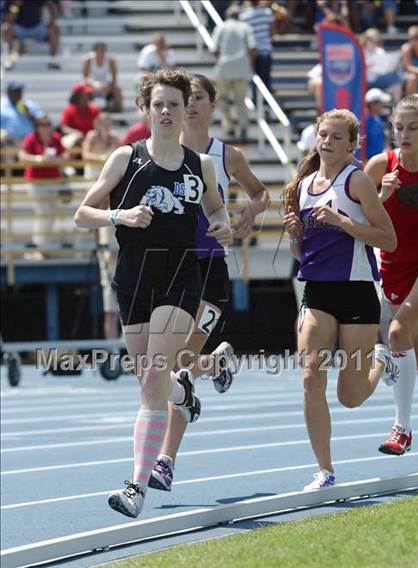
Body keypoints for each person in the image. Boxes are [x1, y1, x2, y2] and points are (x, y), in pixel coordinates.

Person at [74, 68, 232, 518]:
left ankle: (135, 487)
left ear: (187, 111)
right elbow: (83, 213)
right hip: (133, 279)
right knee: (155, 381)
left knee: (150, 382)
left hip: (180, 277)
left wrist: (221, 226)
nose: (166, 111)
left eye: (175, 105)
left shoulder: (198, 165)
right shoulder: (126, 158)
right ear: (145, 109)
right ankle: (185, 395)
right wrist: (118, 218)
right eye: (158, 104)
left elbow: (216, 211)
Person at [148, 74, 271, 492]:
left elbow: (260, 193)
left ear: (212, 105)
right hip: (169, 269)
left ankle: (165, 461)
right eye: (188, 98)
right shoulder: (164, 154)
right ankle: (217, 362)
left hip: (210, 268)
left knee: (180, 365)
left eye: (200, 97)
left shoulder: (226, 155)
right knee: (168, 367)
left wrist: (245, 216)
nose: (193, 104)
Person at [282, 108, 398, 490]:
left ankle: (380, 361)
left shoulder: (358, 181)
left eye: (336, 137)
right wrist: (297, 236)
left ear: (351, 145)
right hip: (316, 289)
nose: (327, 142)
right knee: (311, 374)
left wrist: (342, 222)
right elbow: (304, 254)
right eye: (323, 135)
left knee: (350, 396)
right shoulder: (301, 186)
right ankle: (325, 470)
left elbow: (387, 238)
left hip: (355, 291)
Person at [365, 94, 418, 456]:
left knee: (398, 333)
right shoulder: (380, 165)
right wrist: (382, 197)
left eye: (413, 127)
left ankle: (401, 428)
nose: (404, 134)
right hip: (393, 267)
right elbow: (355, 217)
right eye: (399, 127)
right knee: (408, 348)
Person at [82, 112, 120, 339]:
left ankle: (129, 355)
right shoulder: (104, 215)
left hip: (129, 274)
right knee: (111, 310)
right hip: (111, 267)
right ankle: (112, 353)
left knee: (128, 312)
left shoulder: (120, 213)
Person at [19, 114, 68, 254]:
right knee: (44, 213)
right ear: (38, 127)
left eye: (48, 125)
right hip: (36, 182)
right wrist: (38, 159)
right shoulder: (31, 138)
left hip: (53, 181)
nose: (47, 128)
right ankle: (41, 247)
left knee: (51, 214)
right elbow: (22, 156)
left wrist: (56, 159)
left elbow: (66, 154)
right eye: (44, 125)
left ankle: (43, 247)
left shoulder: (56, 138)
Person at [211, 4, 256, 141]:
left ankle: (229, 126)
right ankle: (243, 127)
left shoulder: (221, 27)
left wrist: (221, 61)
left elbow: (214, 49)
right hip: (242, 68)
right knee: (241, 100)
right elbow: (253, 47)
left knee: (223, 99)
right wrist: (248, 62)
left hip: (224, 68)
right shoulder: (245, 27)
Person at [2, 0, 60, 69]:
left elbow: (51, 6)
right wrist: (16, 6)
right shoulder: (12, 2)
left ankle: (53, 60)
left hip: (36, 28)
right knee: (6, 31)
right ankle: (8, 60)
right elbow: (9, 20)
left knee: (54, 30)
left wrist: (52, 21)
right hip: (19, 28)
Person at [239, 0, 274, 98]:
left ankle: (256, 103)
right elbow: (272, 31)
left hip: (250, 52)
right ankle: (263, 104)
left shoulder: (244, 16)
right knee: (265, 80)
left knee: (254, 80)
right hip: (265, 50)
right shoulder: (267, 13)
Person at [361, 28, 402, 103]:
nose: (373, 43)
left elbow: (386, 66)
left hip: (378, 78)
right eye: (371, 40)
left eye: (375, 41)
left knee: (395, 76)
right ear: (366, 40)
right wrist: (366, 66)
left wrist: (393, 66)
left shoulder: (380, 51)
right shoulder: (360, 51)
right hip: (364, 80)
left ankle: (397, 104)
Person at [82, 42, 123, 112]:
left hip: (106, 85)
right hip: (92, 85)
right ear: (94, 51)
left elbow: (114, 78)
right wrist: (95, 84)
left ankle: (118, 110)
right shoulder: (88, 60)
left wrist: (108, 86)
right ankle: (84, 111)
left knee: (117, 90)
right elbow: (85, 79)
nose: (101, 53)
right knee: (82, 91)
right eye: (99, 50)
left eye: (103, 51)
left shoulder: (111, 60)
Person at [0, 81, 43, 148]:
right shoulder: (2, 106)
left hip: (28, 140)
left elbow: (42, 122)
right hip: (8, 141)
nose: (18, 93)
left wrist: (29, 114)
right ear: (8, 92)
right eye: (15, 91)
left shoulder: (29, 105)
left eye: (20, 91)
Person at [60, 84, 100, 151]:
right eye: (83, 95)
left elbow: (100, 126)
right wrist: (77, 133)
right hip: (76, 140)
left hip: (92, 139)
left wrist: (90, 136)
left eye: (87, 95)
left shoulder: (94, 110)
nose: (86, 97)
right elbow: (64, 128)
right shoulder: (69, 110)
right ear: (77, 96)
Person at [365, 88, 391, 161]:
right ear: (372, 104)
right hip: (367, 162)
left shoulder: (378, 119)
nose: (383, 105)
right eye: (381, 102)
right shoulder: (364, 121)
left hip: (379, 160)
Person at [401, 25, 418, 96]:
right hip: (406, 75)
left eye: (417, 37)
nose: (413, 40)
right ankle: (411, 104)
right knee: (413, 78)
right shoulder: (406, 49)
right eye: (411, 38)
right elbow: (407, 67)